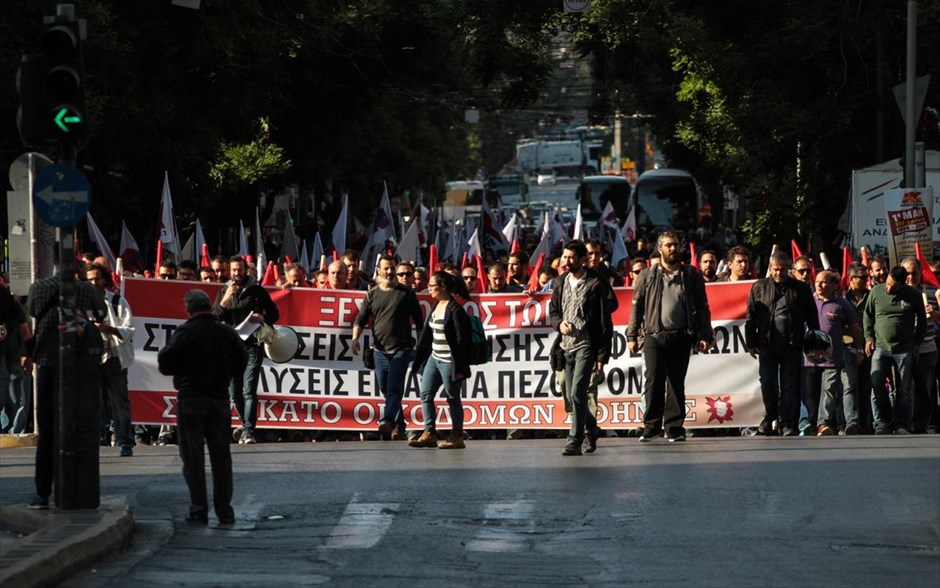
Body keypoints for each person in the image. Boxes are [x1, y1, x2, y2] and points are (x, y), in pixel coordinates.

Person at [158, 289, 247, 525]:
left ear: (188, 309)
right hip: (218, 399)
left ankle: (198, 509)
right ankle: (225, 511)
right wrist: (226, 373)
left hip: (191, 399)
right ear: (209, 305)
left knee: (193, 458)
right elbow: (242, 361)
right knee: (221, 458)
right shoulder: (226, 332)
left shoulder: (184, 332)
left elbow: (165, 363)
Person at [26, 256, 107, 509]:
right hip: (79, 367)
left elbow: (32, 312)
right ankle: (77, 488)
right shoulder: (86, 289)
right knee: (79, 426)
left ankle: (42, 493)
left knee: (47, 432)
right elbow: (101, 311)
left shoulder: (39, 287)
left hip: (48, 363)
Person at [627, 230, 713, 443]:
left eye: (675, 245)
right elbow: (636, 307)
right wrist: (631, 335)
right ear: (660, 249)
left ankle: (674, 427)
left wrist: (704, 334)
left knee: (676, 382)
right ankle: (651, 426)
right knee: (653, 379)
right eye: (668, 245)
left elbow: (702, 307)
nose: (673, 249)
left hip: (681, 335)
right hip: (653, 335)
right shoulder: (647, 275)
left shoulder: (690, 275)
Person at [549, 240, 618, 456]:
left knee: (579, 392)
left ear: (582, 260)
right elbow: (553, 311)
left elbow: (606, 321)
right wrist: (559, 324)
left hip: (587, 345)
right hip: (565, 346)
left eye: (571, 258)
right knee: (572, 395)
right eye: (565, 257)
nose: (566, 262)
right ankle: (592, 428)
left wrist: (602, 355)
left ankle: (574, 440)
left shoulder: (596, 283)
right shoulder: (560, 282)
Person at [745, 250, 819, 436]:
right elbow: (750, 317)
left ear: (789, 269)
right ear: (770, 268)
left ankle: (787, 423)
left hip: (792, 346)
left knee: (789, 385)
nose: (779, 273)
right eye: (776, 269)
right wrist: (750, 342)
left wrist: (815, 342)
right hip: (767, 345)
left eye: (783, 269)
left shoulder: (801, 289)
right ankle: (770, 417)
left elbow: (812, 317)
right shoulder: (759, 287)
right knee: (767, 382)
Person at [351, 255, 423, 440]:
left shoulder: (407, 294)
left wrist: (422, 345)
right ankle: (400, 425)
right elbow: (361, 319)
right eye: (386, 268)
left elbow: (419, 322)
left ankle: (388, 420)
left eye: (392, 268)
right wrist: (355, 339)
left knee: (394, 388)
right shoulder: (372, 294)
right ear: (379, 270)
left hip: (401, 350)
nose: (390, 272)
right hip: (379, 351)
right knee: (385, 388)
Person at [212, 256, 280, 444]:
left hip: (252, 346)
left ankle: (249, 431)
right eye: (233, 270)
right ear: (229, 270)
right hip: (231, 348)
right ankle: (244, 425)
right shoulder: (224, 290)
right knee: (235, 393)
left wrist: (262, 318)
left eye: (239, 270)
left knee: (249, 390)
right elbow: (214, 317)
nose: (236, 273)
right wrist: (225, 300)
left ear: (245, 270)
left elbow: (274, 312)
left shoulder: (256, 291)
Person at [408, 271, 472, 449]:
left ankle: (457, 435)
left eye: (432, 285)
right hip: (434, 358)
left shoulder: (455, 310)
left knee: (452, 397)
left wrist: (460, 366)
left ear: (443, 287)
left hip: (450, 362)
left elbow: (461, 340)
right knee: (425, 394)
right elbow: (428, 336)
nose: (429, 288)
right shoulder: (436, 305)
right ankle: (429, 432)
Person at [864, 265, 926, 435]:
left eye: (893, 286)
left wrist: (917, 342)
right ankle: (882, 422)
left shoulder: (913, 295)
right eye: (888, 283)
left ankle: (901, 424)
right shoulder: (876, 291)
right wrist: (869, 338)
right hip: (881, 347)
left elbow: (922, 320)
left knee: (903, 388)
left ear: (902, 283)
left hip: (904, 349)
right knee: (876, 383)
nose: (889, 288)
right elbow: (867, 316)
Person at [804, 270, 864, 436]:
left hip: (832, 356)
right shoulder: (808, 301)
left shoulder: (842, 304)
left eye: (823, 282)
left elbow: (854, 328)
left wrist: (859, 348)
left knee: (829, 388)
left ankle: (823, 423)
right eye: (817, 281)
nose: (819, 285)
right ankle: (810, 423)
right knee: (810, 392)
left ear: (833, 285)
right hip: (809, 358)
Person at [86, 263, 136, 457]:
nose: (93, 283)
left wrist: (108, 329)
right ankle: (97, 438)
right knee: (93, 402)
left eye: (96, 278)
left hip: (114, 358)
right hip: (91, 359)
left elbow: (129, 329)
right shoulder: (81, 304)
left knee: (119, 402)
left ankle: (125, 441)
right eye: (89, 279)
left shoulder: (117, 302)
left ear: (104, 279)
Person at [900, 257, 939, 434]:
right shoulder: (897, 292)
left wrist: (936, 312)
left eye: (913, 273)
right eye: (906, 273)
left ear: (919, 273)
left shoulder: (932, 291)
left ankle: (921, 425)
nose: (909, 277)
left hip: (926, 348)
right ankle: (903, 423)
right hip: (903, 348)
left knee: (924, 389)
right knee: (904, 388)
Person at [844, 262, 873, 433]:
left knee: (866, 386)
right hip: (847, 347)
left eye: (866, 277)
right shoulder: (841, 297)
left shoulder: (872, 296)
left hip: (868, 347)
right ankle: (851, 423)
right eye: (861, 277)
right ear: (851, 279)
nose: (865, 280)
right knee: (849, 386)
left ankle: (866, 424)